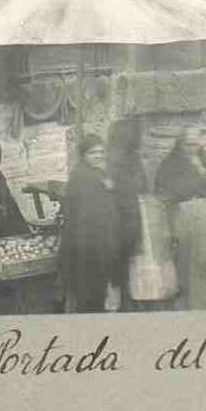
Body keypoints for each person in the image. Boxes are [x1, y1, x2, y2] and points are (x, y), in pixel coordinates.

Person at [154, 127, 206, 311]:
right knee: (189, 263)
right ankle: (189, 305)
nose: (192, 149)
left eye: (195, 145)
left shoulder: (202, 161)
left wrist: (201, 169)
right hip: (183, 215)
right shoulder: (169, 164)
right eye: (187, 145)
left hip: (205, 215)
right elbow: (169, 191)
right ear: (179, 144)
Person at [58, 134, 121, 314]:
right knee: (90, 297)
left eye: (101, 151)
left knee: (91, 295)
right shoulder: (84, 177)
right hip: (88, 245)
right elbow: (86, 215)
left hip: (91, 244)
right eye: (93, 152)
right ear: (84, 155)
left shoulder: (93, 173)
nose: (99, 155)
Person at [107, 117, 148, 311]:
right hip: (123, 221)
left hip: (125, 220)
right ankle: (126, 305)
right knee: (124, 267)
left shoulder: (120, 158)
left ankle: (125, 303)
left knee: (124, 268)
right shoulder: (122, 160)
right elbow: (141, 186)